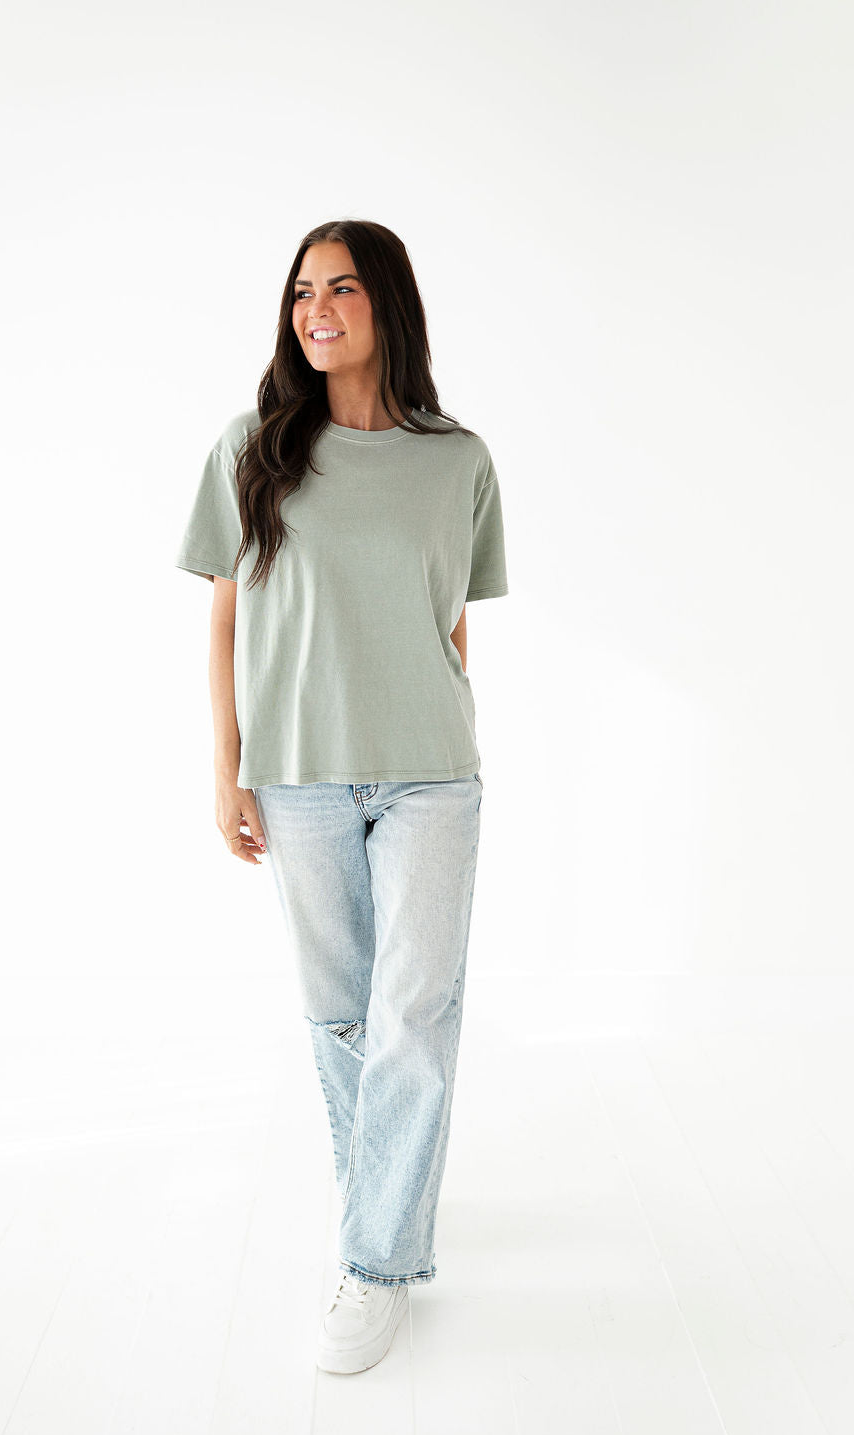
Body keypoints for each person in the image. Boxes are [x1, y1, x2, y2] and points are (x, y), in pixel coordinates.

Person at [175, 219, 508, 1374]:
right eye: (302, 291)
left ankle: (372, 1264)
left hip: (430, 774)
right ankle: (386, 1205)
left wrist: (449, 731)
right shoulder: (250, 448)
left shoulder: (458, 461)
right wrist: (227, 765)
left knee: (415, 1009)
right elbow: (225, 618)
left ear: (388, 306)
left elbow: (449, 620)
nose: (315, 309)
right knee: (342, 1013)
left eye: (342, 288)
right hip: (299, 770)